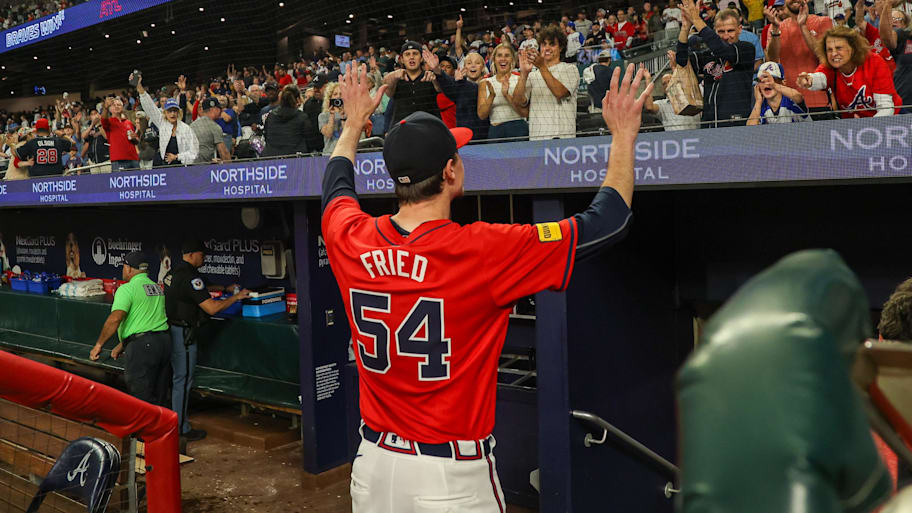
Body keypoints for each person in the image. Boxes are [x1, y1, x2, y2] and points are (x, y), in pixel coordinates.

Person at [323, 62, 650, 513]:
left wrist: (354, 124)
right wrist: (624, 135)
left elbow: (335, 185)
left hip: (373, 469)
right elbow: (606, 223)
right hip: (448, 480)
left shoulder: (351, 238)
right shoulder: (483, 250)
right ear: (451, 172)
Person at [163, 240, 251, 441]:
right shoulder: (191, 277)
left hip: (172, 329)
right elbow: (211, 307)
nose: (204, 258)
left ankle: (177, 424)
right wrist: (235, 298)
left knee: (178, 379)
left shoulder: (174, 272)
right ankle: (180, 429)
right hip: (183, 334)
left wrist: (224, 287)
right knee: (183, 380)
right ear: (192, 254)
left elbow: (198, 287)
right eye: (202, 255)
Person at [89, 252, 171, 407]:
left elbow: (115, 319)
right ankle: (160, 429)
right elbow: (146, 321)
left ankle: (143, 430)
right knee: (159, 394)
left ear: (129, 269)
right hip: (164, 343)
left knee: (141, 395)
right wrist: (123, 344)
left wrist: (99, 345)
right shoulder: (156, 288)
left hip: (143, 348)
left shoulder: (127, 289)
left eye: (124, 266)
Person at [676, 1, 756, 127]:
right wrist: (685, 28)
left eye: (730, 31)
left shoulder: (746, 49)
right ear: (714, 31)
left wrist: (696, 19)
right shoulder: (708, 56)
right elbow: (681, 61)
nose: (725, 36)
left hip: (736, 124)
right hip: (709, 124)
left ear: (740, 30)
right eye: (721, 32)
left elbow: (722, 50)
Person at [797, 25, 903, 116]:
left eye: (839, 48)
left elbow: (886, 108)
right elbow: (820, 78)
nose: (833, 54)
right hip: (853, 126)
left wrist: (866, 127)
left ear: (853, 49)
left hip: (891, 119)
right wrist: (808, 80)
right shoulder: (829, 67)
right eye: (829, 49)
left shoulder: (874, 62)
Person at [766, 0, 834, 118]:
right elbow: (772, 60)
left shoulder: (823, 21)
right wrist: (776, 29)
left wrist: (803, 26)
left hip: (819, 101)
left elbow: (825, 56)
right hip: (788, 103)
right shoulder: (775, 26)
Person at [512, 24, 581, 140]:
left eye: (552, 44)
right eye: (544, 44)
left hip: (563, 138)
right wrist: (523, 74)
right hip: (537, 139)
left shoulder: (570, 69)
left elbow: (559, 92)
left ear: (561, 47)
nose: (547, 48)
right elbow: (518, 102)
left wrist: (541, 66)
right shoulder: (533, 75)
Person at [135, 75, 198, 167]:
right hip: (164, 167)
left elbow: (194, 152)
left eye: (175, 111)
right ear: (165, 113)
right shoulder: (162, 123)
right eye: (169, 111)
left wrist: (177, 156)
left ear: (178, 113)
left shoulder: (186, 129)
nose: (172, 114)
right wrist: (139, 86)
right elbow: (149, 105)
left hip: (182, 168)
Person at [428, 50, 491, 140]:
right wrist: (437, 70)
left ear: (482, 67)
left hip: (486, 137)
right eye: (469, 63)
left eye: (477, 63)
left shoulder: (490, 84)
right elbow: (448, 85)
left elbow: (474, 88)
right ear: (464, 68)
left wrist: (461, 83)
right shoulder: (459, 86)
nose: (473, 65)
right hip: (465, 138)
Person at [477, 43, 530, 140]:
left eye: (507, 55)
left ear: (512, 60)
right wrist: (492, 96)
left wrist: (507, 96)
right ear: (494, 59)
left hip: (519, 130)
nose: (503, 59)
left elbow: (525, 113)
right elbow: (482, 115)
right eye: (499, 55)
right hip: (496, 131)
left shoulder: (520, 79)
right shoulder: (485, 83)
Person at [383, 41, 441, 124]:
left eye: (415, 54)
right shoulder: (396, 79)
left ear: (421, 58)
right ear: (402, 59)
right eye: (407, 54)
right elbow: (388, 92)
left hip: (428, 128)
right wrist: (393, 75)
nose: (411, 57)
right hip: (402, 129)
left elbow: (440, 88)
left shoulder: (429, 76)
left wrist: (436, 74)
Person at [263, 84, 319, 157]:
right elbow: (311, 142)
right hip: (296, 160)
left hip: (273, 160)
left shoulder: (271, 116)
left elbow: (266, 136)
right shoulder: (302, 117)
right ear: (298, 99)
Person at [643, 62, 702, 130]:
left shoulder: (690, 96)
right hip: (674, 139)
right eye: (664, 84)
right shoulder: (662, 104)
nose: (668, 84)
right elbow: (649, 107)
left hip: (696, 138)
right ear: (663, 89)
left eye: (670, 81)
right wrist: (648, 79)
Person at [856, 0, 897, 72]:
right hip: (873, 71)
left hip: (892, 74)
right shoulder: (874, 31)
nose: (881, 2)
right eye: (878, 1)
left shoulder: (897, 30)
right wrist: (860, 2)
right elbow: (859, 22)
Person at [101, 97, 139, 172]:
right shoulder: (109, 122)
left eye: (119, 105)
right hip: (118, 160)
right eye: (114, 105)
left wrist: (135, 138)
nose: (116, 106)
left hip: (133, 159)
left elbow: (137, 141)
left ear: (122, 107)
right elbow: (103, 119)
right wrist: (105, 107)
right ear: (110, 109)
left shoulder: (129, 123)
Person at [190, 97, 232, 164]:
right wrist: (231, 168)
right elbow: (223, 152)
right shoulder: (215, 127)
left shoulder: (191, 125)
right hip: (206, 167)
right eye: (219, 109)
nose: (221, 111)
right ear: (214, 109)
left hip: (190, 166)